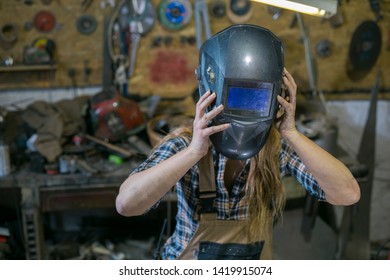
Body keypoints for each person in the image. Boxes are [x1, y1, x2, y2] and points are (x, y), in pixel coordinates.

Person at [115, 24, 360, 260]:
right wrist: (193, 153)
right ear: (210, 91)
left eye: (257, 98)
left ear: (278, 95)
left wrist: (291, 132)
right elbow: (127, 205)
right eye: (236, 96)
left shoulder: (275, 147)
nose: (245, 112)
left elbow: (347, 194)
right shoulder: (185, 143)